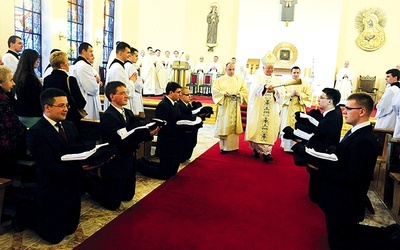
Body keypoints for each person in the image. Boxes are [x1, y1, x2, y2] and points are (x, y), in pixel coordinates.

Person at [311, 92, 400, 249]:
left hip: (345, 200)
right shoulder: (356, 131)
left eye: (348, 108)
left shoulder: (364, 140)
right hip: (341, 198)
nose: (343, 111)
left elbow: (352, 177)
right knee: (340, 234)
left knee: (342, 241)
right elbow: (344, 157)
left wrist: (320, 170)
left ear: (361, 111)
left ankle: (390, 240)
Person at [19, 88, 96, 244]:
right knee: (54, 238)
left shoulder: (69, 126)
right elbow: (48, 165)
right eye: (61, 106)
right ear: (47, 108)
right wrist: (79, 168)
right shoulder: (36, 132)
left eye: (66, 105)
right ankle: (26, 213)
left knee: (70, 229)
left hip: (72, 185)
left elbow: (79, 147)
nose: (66, 109)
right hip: (52, 187)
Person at [87, 81, 158, 210]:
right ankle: (89, 182)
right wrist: (138, 138)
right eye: (122, 93)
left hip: (129, 159)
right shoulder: (108, 116)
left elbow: (134, 133)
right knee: (113, 204)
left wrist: (148, 133)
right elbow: (118, 141)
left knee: (127, 196)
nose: (127, 96)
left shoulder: (129, 113)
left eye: (126, 93)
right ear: (112, 96)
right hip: (116, 160)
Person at [138, 82, 183, 180]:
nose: (180, 94)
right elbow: (162, 125)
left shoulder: (175, 104)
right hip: (167, 142)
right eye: (178, 92)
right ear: (171, 92)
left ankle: (144, 163)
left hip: (174, 141)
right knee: (165, 174)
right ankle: (140, 166)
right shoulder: (163, 105)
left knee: (172, 171)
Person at [245, 52, 284, 162]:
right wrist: (264, 87)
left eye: (272, 68)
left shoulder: (277, 80)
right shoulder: (257, 77)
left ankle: (267, 153)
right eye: (268, 68)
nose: (270, 70)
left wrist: (275, 90)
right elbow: (253, 88)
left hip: (271, 109)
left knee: (269, 128)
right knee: (257, 128)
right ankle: (257, 149)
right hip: (259, 108)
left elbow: (282, 92)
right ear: (263, 67)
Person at [43, 51, 87, 128]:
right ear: (62, 65)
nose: (69, 65)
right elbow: (80, 101)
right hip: (69, 117)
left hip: (52, 116)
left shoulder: (47, 79)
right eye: (67, 62)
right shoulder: (70, 79)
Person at [212, 62, 248, 154]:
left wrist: (240, 94)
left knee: (234, 125)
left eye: (233, 69)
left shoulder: (239, 80)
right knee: (224, 125)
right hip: (225, 105)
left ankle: (233, 146)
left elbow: (245, 90)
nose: (231, 71)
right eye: (229, 69)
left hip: (235, 105)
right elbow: (215, 91)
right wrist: (223, 93)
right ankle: (223, 147)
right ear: (226, 69)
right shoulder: (219, 80)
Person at [0, 65, 26, 178]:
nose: (13, 83)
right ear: (1, 83)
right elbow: (12, 124)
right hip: (4, 149)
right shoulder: (2, 101)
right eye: (10, 80)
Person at [280, 66, 312, 152]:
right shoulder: (286, 83)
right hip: (288, 107)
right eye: (294, 72)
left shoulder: (305, 84)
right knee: (287, 124)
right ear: (291, 73)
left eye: (297, 73)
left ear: (300, 73)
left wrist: (299, 95)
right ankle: (286, 144)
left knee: (298, 126)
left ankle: (297, 145)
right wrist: (290, 94)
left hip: (299, 107)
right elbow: (282, 95)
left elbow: (309, 96)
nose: (296, 74)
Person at [70, 42, 102, 120]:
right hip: (88, 102)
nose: (92, 54)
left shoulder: (75, 65)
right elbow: (92, 89)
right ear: (83, 51)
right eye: (90, 51)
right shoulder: (84, 66)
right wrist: (97, 83)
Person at [14, 49, 42, 128]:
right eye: (36, 59)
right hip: (32, 114)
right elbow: (34, 97)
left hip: (21, 112)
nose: (38, 61)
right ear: (30, 60)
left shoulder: (19, 75)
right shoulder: (30, 77)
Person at [104, 41, 137, 110]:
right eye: (128, 53)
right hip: (118, 105)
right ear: (121, 53)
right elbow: (121, 89)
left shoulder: (118, 66)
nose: (129, 55)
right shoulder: (117, 68)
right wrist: (131, 81)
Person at [176, 87, 201, 163]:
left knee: (191, 144)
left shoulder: (188, 105)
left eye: (190, 94)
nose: (190, 96)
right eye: (187, 94)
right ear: (181, 95)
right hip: (185, 132)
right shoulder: (178, 105)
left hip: (191, 131)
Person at [124, 47, 145, 118]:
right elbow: (137, 84)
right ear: (130, 55)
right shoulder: (131, 67)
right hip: (134, 95)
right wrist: (141, 83)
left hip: (129, 92)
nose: (137, 58)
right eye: (136, 56)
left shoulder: (124, 65)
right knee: (137, 115)